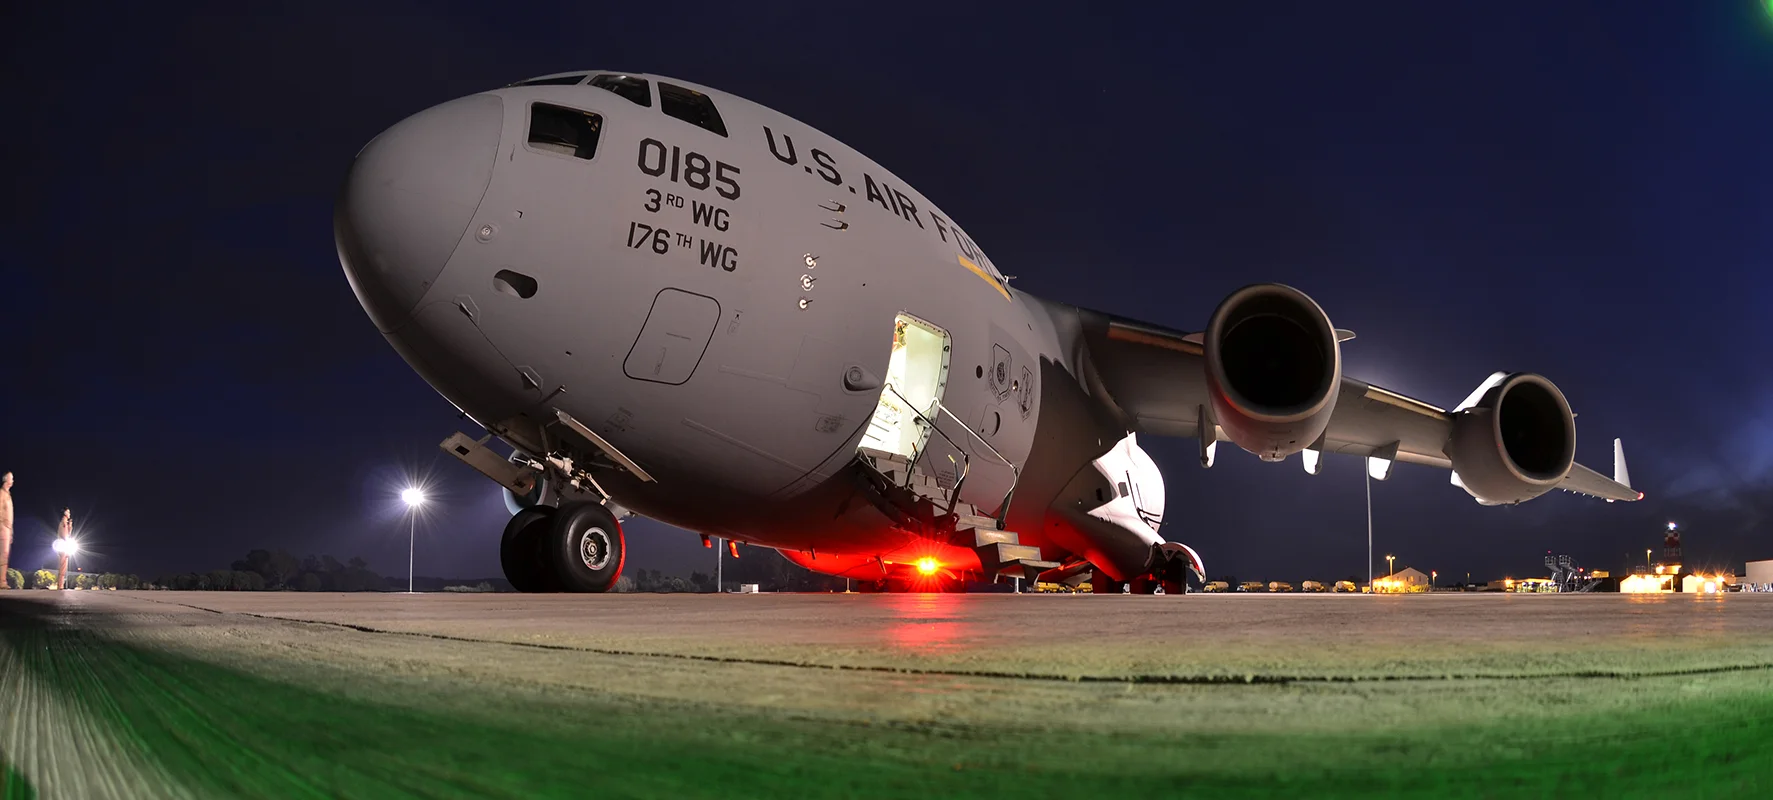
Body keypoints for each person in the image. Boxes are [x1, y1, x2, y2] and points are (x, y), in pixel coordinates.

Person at [0, 472, 12, 588]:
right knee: (2, 555)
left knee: (5, 555)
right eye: (11, 478)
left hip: (7, 529)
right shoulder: (2, 494)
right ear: (5, 479)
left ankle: (2, 580)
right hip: (2, 527)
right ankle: (1, 581)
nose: (12, 481)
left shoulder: (8, 494)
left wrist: (11, 531)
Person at [55, 508, 72, 590]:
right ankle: (60, 585)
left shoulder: (65, 522)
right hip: (63, 546)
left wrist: (70, 527)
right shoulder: (63, 522)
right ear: (65, 512)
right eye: (68, 512)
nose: (69, 513)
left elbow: (67, 534)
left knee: (63, 566)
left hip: (63, 545)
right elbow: (64, 535)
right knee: (62, 566)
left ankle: (60, 585)